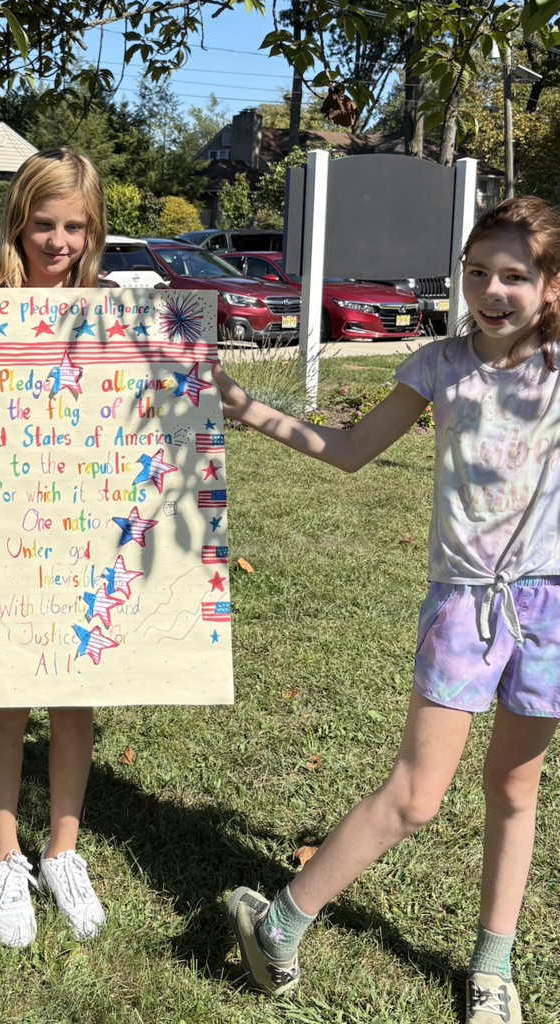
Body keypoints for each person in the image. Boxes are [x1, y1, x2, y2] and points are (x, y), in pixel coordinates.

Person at [218, 195, 560, 1024]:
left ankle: (491, 968)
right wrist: (242, 404)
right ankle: (278, 923)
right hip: (463, 609)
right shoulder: (436, 366)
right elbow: (347, 451)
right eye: (476, 272)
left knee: (515, 788)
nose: (491, 291)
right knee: (416, 796)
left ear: (550, 285)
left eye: (514, 276)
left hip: (551, 609)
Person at [0, 148, 109, 946]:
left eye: (74, 226)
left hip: (87, 529)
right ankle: (4, 854)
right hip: (2, 528)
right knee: (4, 694)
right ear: (17, 223)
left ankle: (62, 851)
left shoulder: (110, 314)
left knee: (76, 699)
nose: (58, 241)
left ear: (92, 230)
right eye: (44, 224)